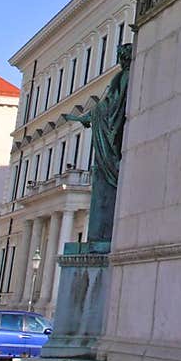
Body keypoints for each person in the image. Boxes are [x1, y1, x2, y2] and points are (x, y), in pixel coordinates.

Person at [62, 43, 132, 245]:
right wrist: (89, 116)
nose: (119, 58)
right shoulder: (121, 77)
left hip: (111, 139)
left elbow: (112, 106)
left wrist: (88, 116)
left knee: (103, 195)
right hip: (108, 138)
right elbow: (109, 104)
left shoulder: (124, 77)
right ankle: (99, 238)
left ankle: (100, 236)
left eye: (121, 55)